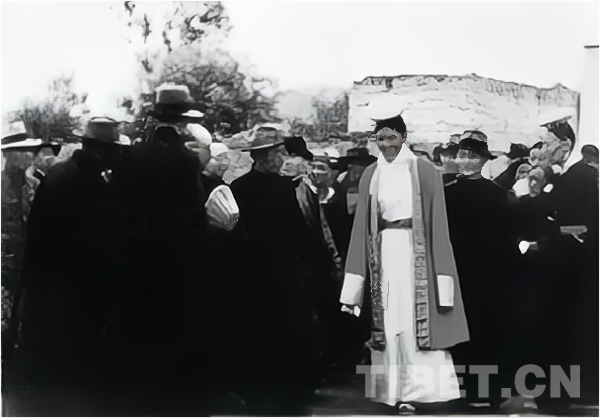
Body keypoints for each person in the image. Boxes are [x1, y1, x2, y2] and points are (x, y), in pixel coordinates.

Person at [340, 113, 468, 415]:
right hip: (382, 256)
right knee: (386, 321)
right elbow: (361, 226)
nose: (386, 144)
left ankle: (420, 392)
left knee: (414, 323)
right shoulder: (371, 173)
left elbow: (438, 225)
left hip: (416, 255)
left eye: (391, 137)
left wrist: (442, 276)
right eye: (380, 139)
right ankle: (390, 391)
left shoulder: (425, 171)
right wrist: (354, 283)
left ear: (403, 137)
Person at [219, 127, 320, 414]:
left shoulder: (240, 187)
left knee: (258, 328)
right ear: (265, 156)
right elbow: (299, 230)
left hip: (253, 273)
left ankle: (258, 387)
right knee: (283, 328)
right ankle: (287, 387)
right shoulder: (277, 188)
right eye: (278, 153)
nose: (283, 158)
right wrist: (311, 258)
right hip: (276, 272)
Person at [444, 133, 519, 411]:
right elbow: (511, 237)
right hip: (491, 276)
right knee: (490, 332)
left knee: (464, 332)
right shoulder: (501, 196)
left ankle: (466, 390)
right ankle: (489, 391)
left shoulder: (446, 195)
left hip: (460, 272)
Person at [21, 140, 61, 222]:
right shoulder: (31, 175)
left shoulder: (55, 174)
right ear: (35, 157)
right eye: (45, 153)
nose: (49, 157)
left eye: (50, 153)